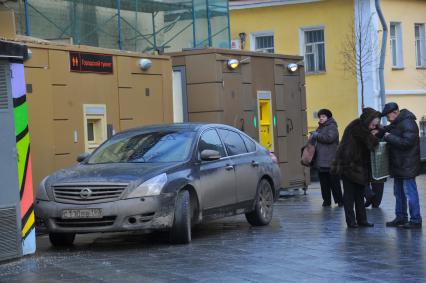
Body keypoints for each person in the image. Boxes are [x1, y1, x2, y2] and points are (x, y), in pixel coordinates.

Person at [332, 108, 381, 228]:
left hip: (358, 165)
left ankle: (362, 220)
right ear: (368, 120)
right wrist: (374, 135)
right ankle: (351, 221)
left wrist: (373, 133)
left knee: (359, 193)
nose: (373, 127)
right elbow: (372, 144)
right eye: (373, 124)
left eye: (375, 125)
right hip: (349, 165)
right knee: (349, 194)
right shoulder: (358, 127)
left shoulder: (361, 126)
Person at [380, 102, 422, 229]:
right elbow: (384, 130)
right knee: (398, 193)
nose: (387, 119)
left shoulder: (408, 122)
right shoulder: (397, 123)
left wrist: (389, 137)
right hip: (399, 164)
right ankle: (401, 217)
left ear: (395, 112)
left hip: (407, 165)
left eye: (388, 116)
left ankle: (415, 220)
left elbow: (407, 143)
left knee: (410, 192)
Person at [311, 109, 343, 207]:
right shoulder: (319, 128)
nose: (321, 118)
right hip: (321, 160)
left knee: (334, 182)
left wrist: (317, 135)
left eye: (323, 116)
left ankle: (340, 201)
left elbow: (330, 138)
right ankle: (326, 201)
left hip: (331, 160)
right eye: (320, 116)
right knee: (324, 183)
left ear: (328, 118)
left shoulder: (332, 127)